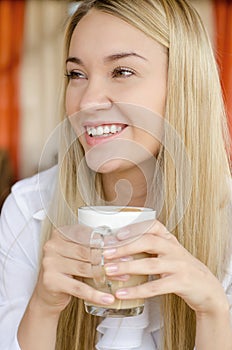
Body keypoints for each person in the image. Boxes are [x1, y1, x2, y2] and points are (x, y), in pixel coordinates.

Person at [0, 0, 232, 349]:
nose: (88, 101)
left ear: (184, 85)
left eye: (122, 72)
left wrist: (213, 312)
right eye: (76, 75)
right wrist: (44, 308)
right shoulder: (27, 211)